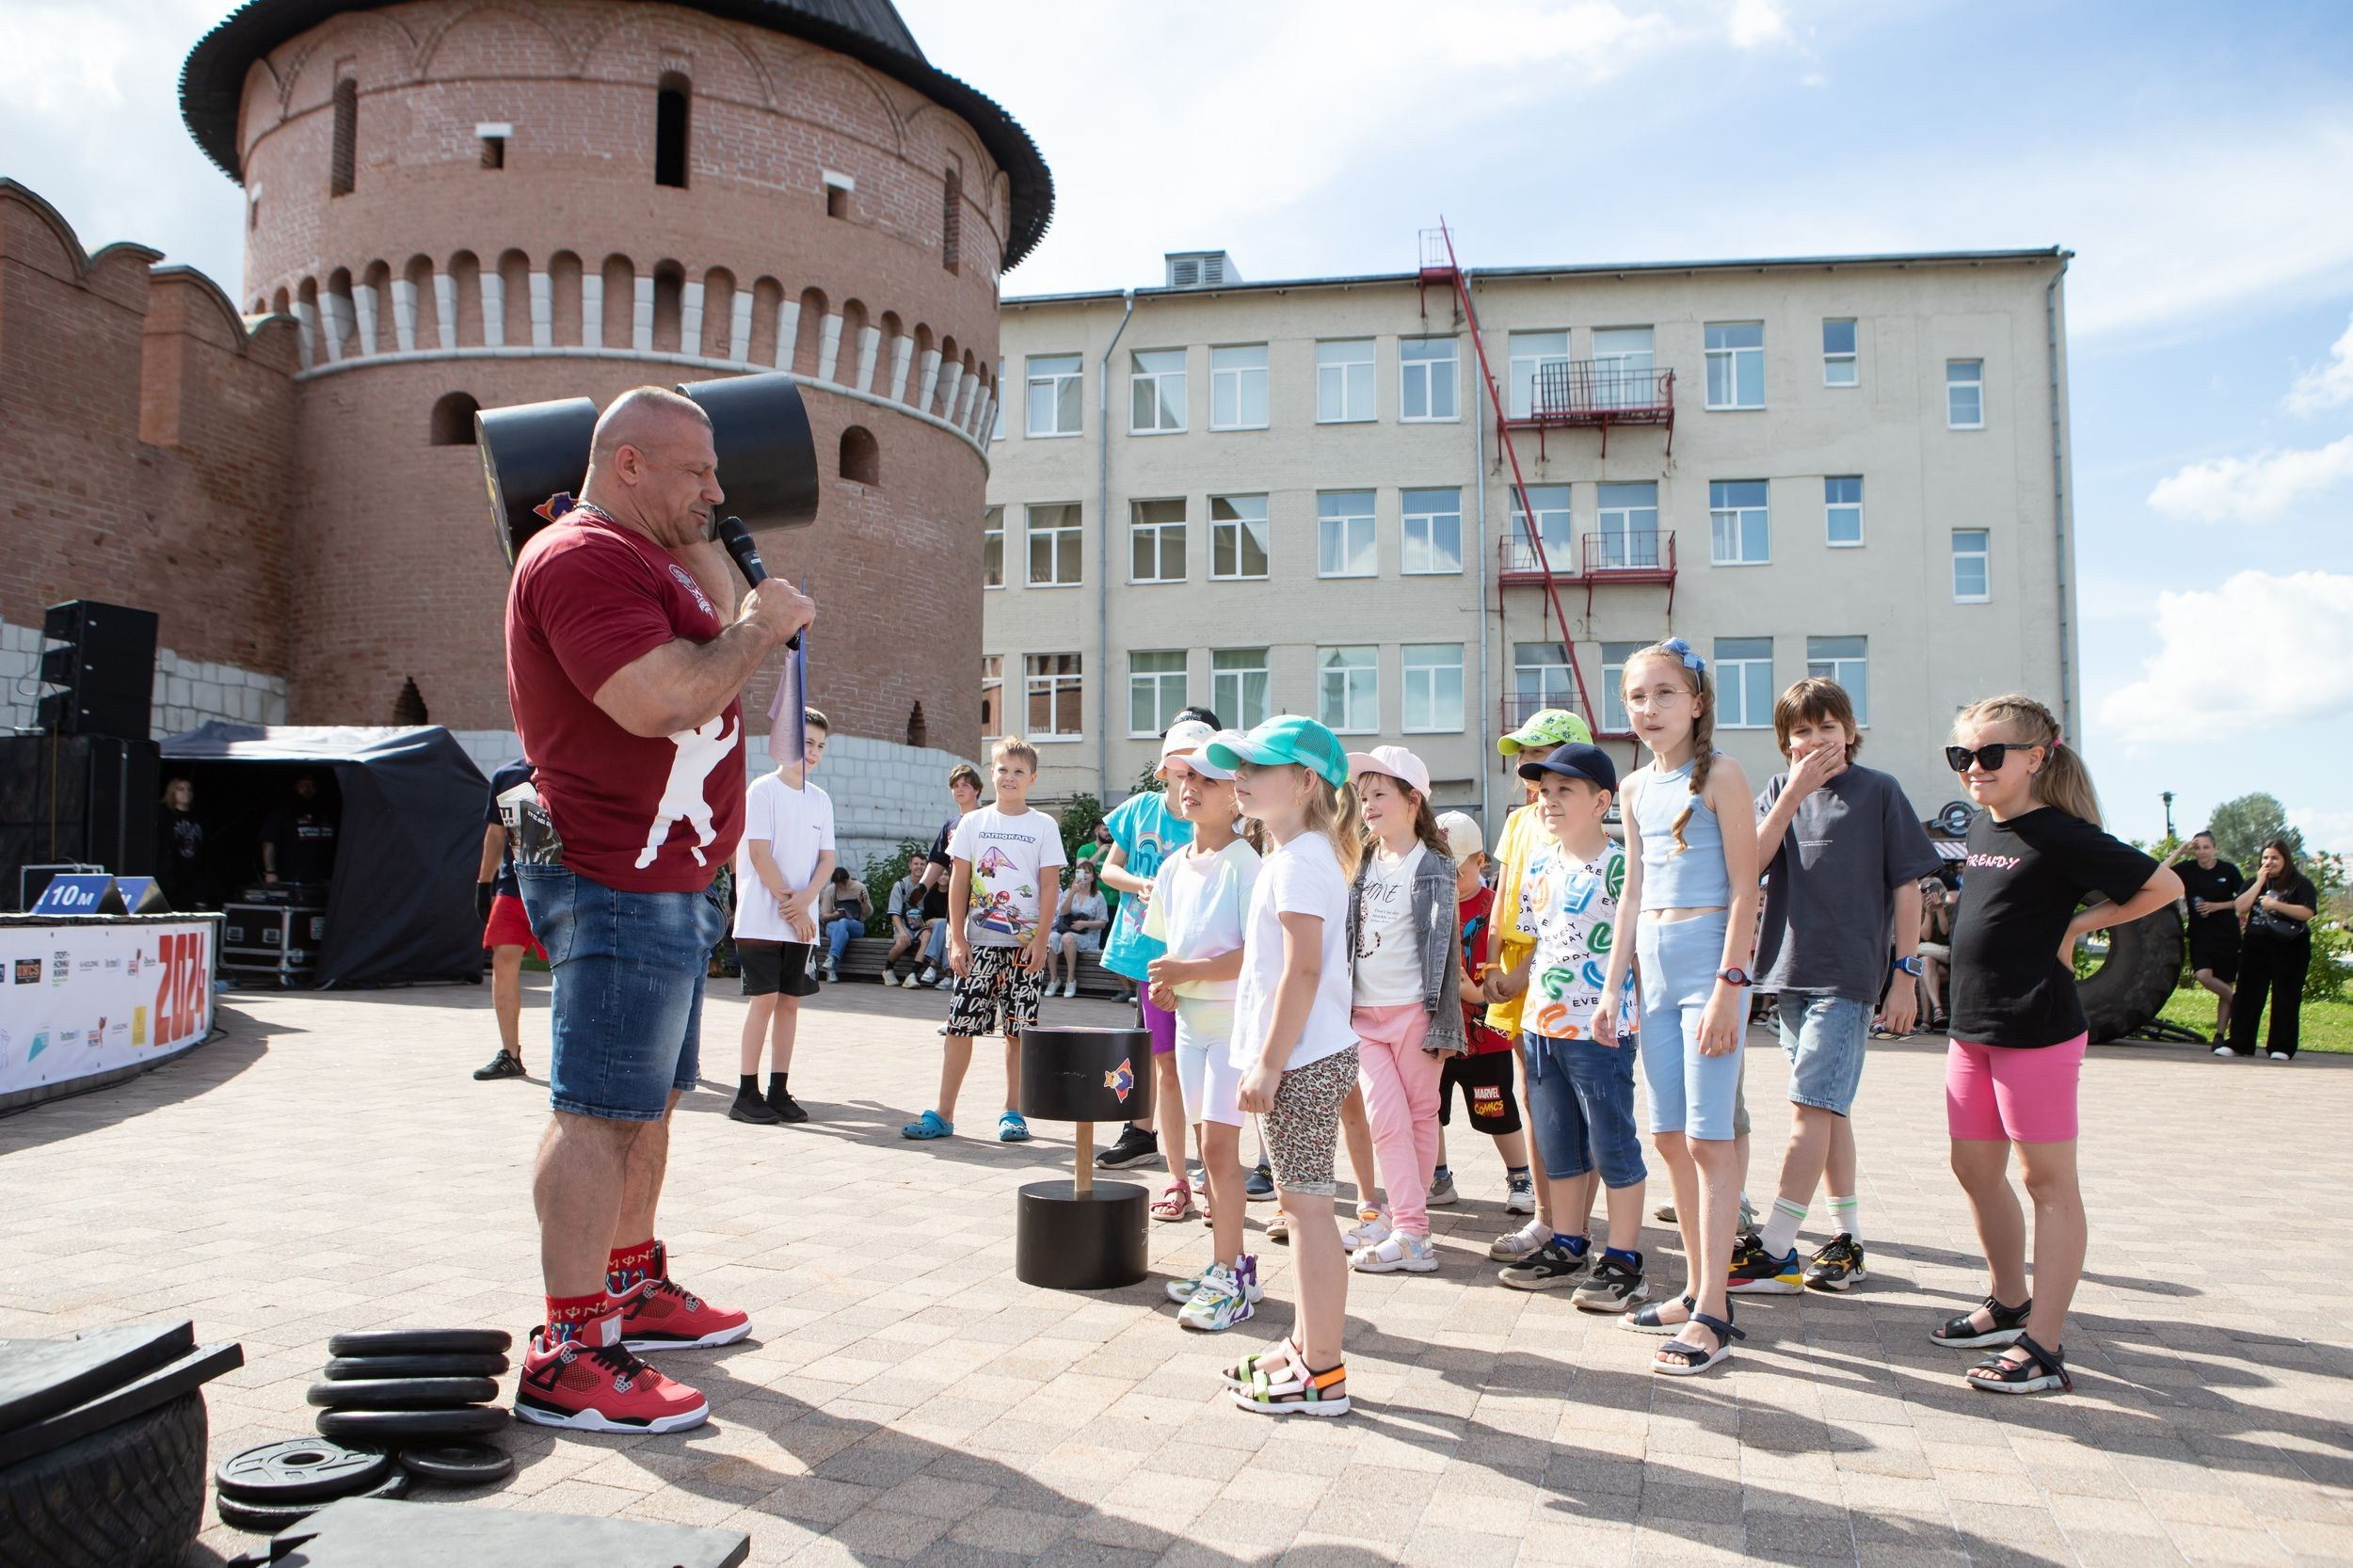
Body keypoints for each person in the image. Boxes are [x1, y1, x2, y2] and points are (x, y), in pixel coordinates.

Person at [504, 386, 813, 1433]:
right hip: (613, 875)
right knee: (595, 1110)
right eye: (696, 474)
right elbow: (661, 696)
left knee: (649, 1100)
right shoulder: (580, 557)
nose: (718, 493)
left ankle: (630, 1284)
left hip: (670, 879)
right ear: (627, 464)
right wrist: (758, 629)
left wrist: (730, 581)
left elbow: (714, 642)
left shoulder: (653, 559)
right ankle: (571, 1346)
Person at [1934, 694, 2179, 1394]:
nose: (1973, 768)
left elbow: (2161, 884)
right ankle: (2009, 1303)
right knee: (1976, 1171)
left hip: (2036, 1030)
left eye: (1989, 755)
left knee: (2048, 1183)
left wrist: (2076, 929)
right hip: (1971, 1030)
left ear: (2036, 757)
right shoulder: (1985, 824)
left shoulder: (2061, 833)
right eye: (1962, 756)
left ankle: (2043, 1344)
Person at [1734, 679, 1941, 1296]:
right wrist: (1794, 793)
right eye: (1802, 731)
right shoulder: (1780, 791)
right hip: (1789, 973)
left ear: (1849, 730)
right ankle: (1845, 1240)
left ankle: (1775, 1248)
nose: (1816, 740)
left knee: (1808, 1109)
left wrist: (1904, 979)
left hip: (1848, 976)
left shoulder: (1879, 791)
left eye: (1828, 727)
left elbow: (1908, 888)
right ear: (1785, 742)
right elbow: (1751, 864)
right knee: (1828, 1109)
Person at [1595, 637, 1761, 1376]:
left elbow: (1746, 887)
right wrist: (1611, 985)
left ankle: (1715, 1312)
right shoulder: (1633, 789)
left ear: (1696, 701)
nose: (1649, 709)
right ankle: (1696, 1287)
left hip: (1708, 966)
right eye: (1636, 696)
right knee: (1666, 1137)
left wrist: (1731, 983)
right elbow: (1630, 891)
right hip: (1652, 974)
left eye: (1664, 693)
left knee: (1708, 1140)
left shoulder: (1722, 774)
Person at [1209, 716, 1361, 1416]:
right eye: (1236, 766)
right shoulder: (1294, 853)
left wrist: (1268, 1064)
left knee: (1306, 1212)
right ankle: (1305, 1348)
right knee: (1301, 1208)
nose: (1240, 776)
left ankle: (1322, 1371)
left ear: (1305, 782)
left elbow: (1301, 971)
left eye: (1257, 766)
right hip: (1299, 1054)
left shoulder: (1302, 858)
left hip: (1299, 1058)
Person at [1485, 744, 1648, 1308]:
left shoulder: (1624, 865)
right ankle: (1569, 1243)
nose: (1548, 801)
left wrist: (1631, 1013)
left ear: (1602, 801)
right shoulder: (1540, 864)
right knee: (1560, 1144)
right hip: (1540, 1026)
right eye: (1544, 790)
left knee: (1612, 1140)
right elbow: (1541, 940)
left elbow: (1633, 950)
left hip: (1599, 1030)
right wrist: (1515, 979)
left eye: (1565, 791)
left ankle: (1625, 1259)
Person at [1146, 733, 1264, 1322]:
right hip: (1191, 1027)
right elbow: (1173, 949)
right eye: (1182, 779)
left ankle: (1235, 1273)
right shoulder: (1172, 867)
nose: (1190, 789)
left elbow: (1252, 957)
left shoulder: (1247, 864)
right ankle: (1225, 1264)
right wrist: (1170, 985)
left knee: (1220, 1149)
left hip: (1235, 1029)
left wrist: (1184, 971)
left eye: (1206, 780)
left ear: (1235, 796)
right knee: (1205, 1148)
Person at [901, 737, 1064, 1143]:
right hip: (977, 947)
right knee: (960, 1027)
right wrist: (956, 939)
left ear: (1033, 779)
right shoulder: (972, 824)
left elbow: (1049, 887)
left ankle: (1014, 1112)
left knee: (1018, 1033)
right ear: (991, 774)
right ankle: (943, 1113)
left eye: (1019, 772)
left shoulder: (1044, 826)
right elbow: (957, 882)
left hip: (1025, 949)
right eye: (1003, 770)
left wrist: (1041, 940)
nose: (1010, 778)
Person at [1340, 745, 1465, 1276]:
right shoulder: (1359, 861)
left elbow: (1447, 953)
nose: (1367, 805)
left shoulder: (1436, 865)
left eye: (1379, 794)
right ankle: (1410, 1229)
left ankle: (1407, 1225)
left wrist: (1445, 1024)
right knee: (1385, 1120)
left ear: (1412, 799)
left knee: (1419, 1119)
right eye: (1363, 796)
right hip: (1362, 1016)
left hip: (1417, 1013)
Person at [1482, 709, 1594, 1267]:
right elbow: (1503, 894)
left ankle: (1576, 1223)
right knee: (1532, 1094)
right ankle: (1546, 1217)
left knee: (1581, 1098)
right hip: (1516, 971)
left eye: (1542, 759)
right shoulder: (1519, 821)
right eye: (1525, 763)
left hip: (1566, 969)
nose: (1529, 774)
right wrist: (1491, 965)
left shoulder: (1573, 827)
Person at [1096, 709, 1221, 1174]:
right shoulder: (1140, 809)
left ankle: (1206, 1157)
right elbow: (1110, 868)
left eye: (1196, 766)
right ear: (1163, 765)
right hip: (1145, 951)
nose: (1186, 777)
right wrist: (1138, 884)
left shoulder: (1212, 815)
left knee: (1192, 1058)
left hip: (1196, 957)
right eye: (1176, 761)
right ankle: (1145, 1137)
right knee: (1155, 1050)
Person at [1432, 811, 1536, 1235]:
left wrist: (1475, 993)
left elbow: (1507, 969)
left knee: (1497, 1109)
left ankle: (1520, 1176)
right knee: (1430, 1110)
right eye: (1443, 868)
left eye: (1460, 869)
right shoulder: (1429, 903)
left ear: (1482, 862)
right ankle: (1439, 1178)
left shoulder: (1495, 908)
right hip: (1436, 1032)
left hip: (1486, 1036)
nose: (1452, 877)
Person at [729, 709, 833, 1127]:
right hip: (761, 918)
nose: (813, 751)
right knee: (765, 1001)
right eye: (806, 742)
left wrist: (807, 900)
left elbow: (827, 860)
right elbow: (758, 853)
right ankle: (745, 1092)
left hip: (802, 919)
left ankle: (778, 1088)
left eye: (820, 746)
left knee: (790, 1004)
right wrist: (793, 907)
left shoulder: (820, 799)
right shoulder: (762, 790)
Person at [473, 756, 543, 1081]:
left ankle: (578, 1056)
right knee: (503, 959)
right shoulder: (507, 775)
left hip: (565, 886)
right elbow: (495, 833)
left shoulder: (576, 766)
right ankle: (510, 1054)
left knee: (571, 969)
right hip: (514, 885)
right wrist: (483, 883)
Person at [2222, 840, 2318, 1060]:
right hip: (2256, 944)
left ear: (2285, 860)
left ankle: (2281, 1047)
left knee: (2286, 996)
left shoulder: (2300, 884)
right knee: (2247, 994)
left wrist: (2276, 905)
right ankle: (2239, 1043)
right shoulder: (2253, 882)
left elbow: (2308, 912)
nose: (2269, 862)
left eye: (2274, 858)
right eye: (2265, 857)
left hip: (2290, 946)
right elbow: (2240, 907)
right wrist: (2259, 882)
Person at [905, 764, 984, 989]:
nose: (959, 790)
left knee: (981, 956)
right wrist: (921, 887)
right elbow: (938, 861)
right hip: (956, 899)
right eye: (955, 786)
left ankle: (983, 1011)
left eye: (965, 785)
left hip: (982, 900)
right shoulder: (951, 824)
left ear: (976, 790)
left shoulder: (986, 818)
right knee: (956, 952)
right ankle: (960, 1014)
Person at [2167, 831, 2246, 1045]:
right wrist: (2180, 850)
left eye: (2206, 847)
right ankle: (2242, 1004)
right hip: (2200, 935)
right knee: (2203, 975)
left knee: (2226, 983)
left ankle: (2220, 1035)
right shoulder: (2188, 869)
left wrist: (2217, 906)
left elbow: (2243, 900)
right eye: (2197, 847)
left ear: (2215, 848)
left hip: (2227, 935)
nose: (2201, 852)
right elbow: (2161, 872)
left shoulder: (2228, 871)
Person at [260, 773, 338, 888]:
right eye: (304, 785)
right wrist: (270, 873)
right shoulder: (283, 812)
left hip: (323, 879)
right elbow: (269, 842)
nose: (308, 789)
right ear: (295, 786)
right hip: (291, 878)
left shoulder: (326, 812)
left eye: (312, 786)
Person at [1051, 859, 1111, 999]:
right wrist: (1072, 892)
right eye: (1081, 872)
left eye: (1088, 872)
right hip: (1068, 930)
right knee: (1052, 937)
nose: (1084, 875)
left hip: (1088, 936)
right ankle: (1054, 979)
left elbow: (1103, 922)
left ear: (1093, 877)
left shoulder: (1098, 896)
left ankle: (1070, 979)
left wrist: (1085, 924)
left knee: (1067, 937)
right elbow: (1063, 913)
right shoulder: (1069, 892)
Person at [881, 855, 935, 986]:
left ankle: (912, 975)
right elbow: (894, 914)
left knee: (927, 936)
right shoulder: (900, 885)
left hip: (922, 926)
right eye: (916, 864)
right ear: (910, 865)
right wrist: (902, 932)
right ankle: (888, 969)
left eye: (922, 864)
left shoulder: (930, 886)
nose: (919, 867)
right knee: (901, 943)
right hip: (904, 925)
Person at [154, 776, 206, 912]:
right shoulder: (164, 815)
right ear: (172, 792)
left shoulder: (198, 817)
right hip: (170, 877)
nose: (186, 792)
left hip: (191, 877)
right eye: (181, 789)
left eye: (189, 789)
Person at [817, 864, 870, 983]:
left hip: (855, 925)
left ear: (847, 880)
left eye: (843, 883)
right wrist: (835, 915)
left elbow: (868, 913)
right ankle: (832, 970)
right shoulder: (831, 890)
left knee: (844, 922)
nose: (841, 887)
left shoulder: (859, 888)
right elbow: (824, 915)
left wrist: (864, 903)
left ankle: (831, 958)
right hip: (834, 924)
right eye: (838, 884)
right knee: (843, 933)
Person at [1916, 878, 1953, 1030]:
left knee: (1924, 970)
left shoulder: (1950, 908)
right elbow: (1925, 936)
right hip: (1930, 964)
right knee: (1925, 963)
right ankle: (1937, 1010)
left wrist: (1939, 909)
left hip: (1946, 963)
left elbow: (1945, 932)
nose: (1929, 894)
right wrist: (1929, 913)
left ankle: (1926, 1021)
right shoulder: (1920, 912)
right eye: (1924, 891)